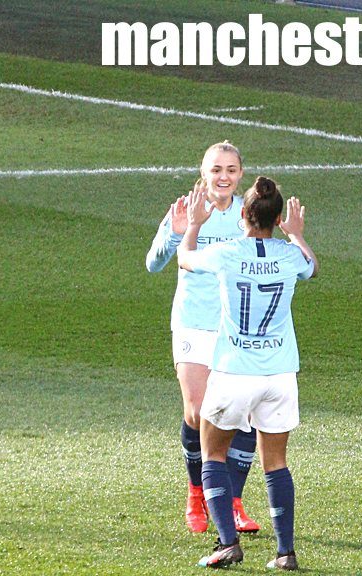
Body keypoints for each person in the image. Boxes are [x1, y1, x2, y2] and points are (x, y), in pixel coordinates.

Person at [178, 176, 318, 570]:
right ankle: (285, 553)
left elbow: (185, 259)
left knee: (213, 454)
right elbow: (312, 266)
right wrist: (297, 235)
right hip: (279, 375)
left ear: (243, 214)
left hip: (234, 371)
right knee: (276, 462)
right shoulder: (291, 256)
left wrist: (194, 224)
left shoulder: (226, 253)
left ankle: (227, 544)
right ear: (277, 220)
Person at [145, 142, 262, 534]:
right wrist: (177, 235)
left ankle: (232, 503)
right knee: (197, 410)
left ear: (240, 174)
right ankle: (196, 493)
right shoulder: (187, 209)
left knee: (242, 415)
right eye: (216, 169)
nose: (223, 176)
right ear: (204, 171)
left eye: (230, 169)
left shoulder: (248, 215)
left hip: (235, 327)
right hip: (194, 322)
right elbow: (153, 262)